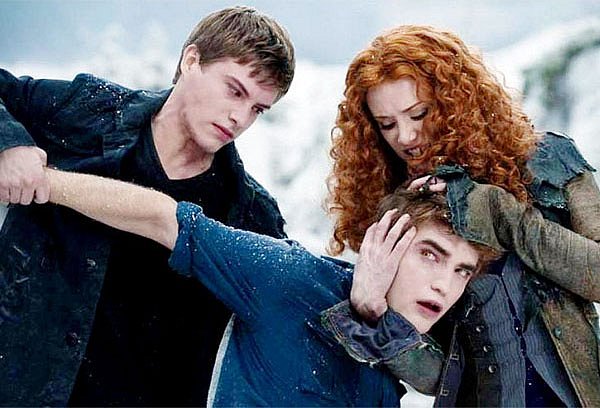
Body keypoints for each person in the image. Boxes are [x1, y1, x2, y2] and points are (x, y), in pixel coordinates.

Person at [0, 6, 294, 406]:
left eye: (258, 109)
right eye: (235, 91)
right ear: (191, 61)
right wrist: (11, 145)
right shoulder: (89, 112)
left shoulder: (250, 214)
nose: (240, 117)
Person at [39, 167, 500, 406]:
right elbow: (166, 220)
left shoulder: (398, 365)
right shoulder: (289, 278)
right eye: (430, 254)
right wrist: (43, 182)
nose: (444, 285)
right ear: (384, 238)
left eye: (462, 270)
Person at [327, 25, 600, 406]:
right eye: (387, 124)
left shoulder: (548, 160)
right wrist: (376, 316)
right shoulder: (402, 209)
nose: (405, 136)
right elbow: (438, 376)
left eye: (418, 114)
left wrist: (495, 211)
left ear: (455, 101)